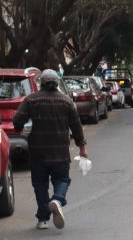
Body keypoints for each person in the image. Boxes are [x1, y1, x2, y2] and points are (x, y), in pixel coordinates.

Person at [13, 69, 87, 230]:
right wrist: (81, 148)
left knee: (40, 184)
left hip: (37, 152)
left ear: (42, 83)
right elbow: (76, 127)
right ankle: (58, 199)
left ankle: (43, 219)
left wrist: (21, 128)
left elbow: (17, 120)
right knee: (62, 180)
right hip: (60, 152)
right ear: (57, 84)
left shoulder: (31, 100)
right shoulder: (66, 101)